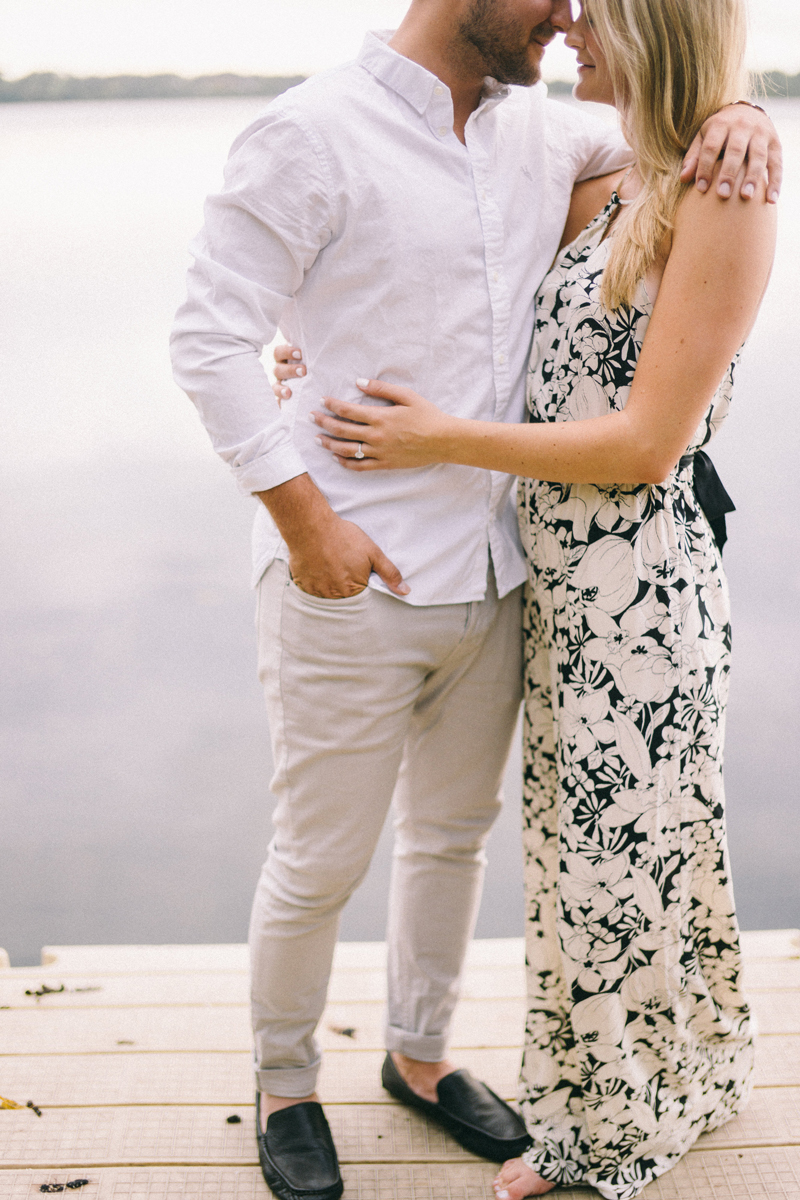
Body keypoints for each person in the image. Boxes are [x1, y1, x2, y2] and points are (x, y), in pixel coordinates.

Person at [170, 2, 780, 1198]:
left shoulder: (540, 135)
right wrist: (306, 523)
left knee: (451, 841)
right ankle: (284, 1083)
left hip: (510, 577)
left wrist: (750, 114)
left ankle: (420, 1053)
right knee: (317, 859)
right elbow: (206, 340)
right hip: (351, 569)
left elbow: (680, 139)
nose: (564, 16)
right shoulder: (307, 135)